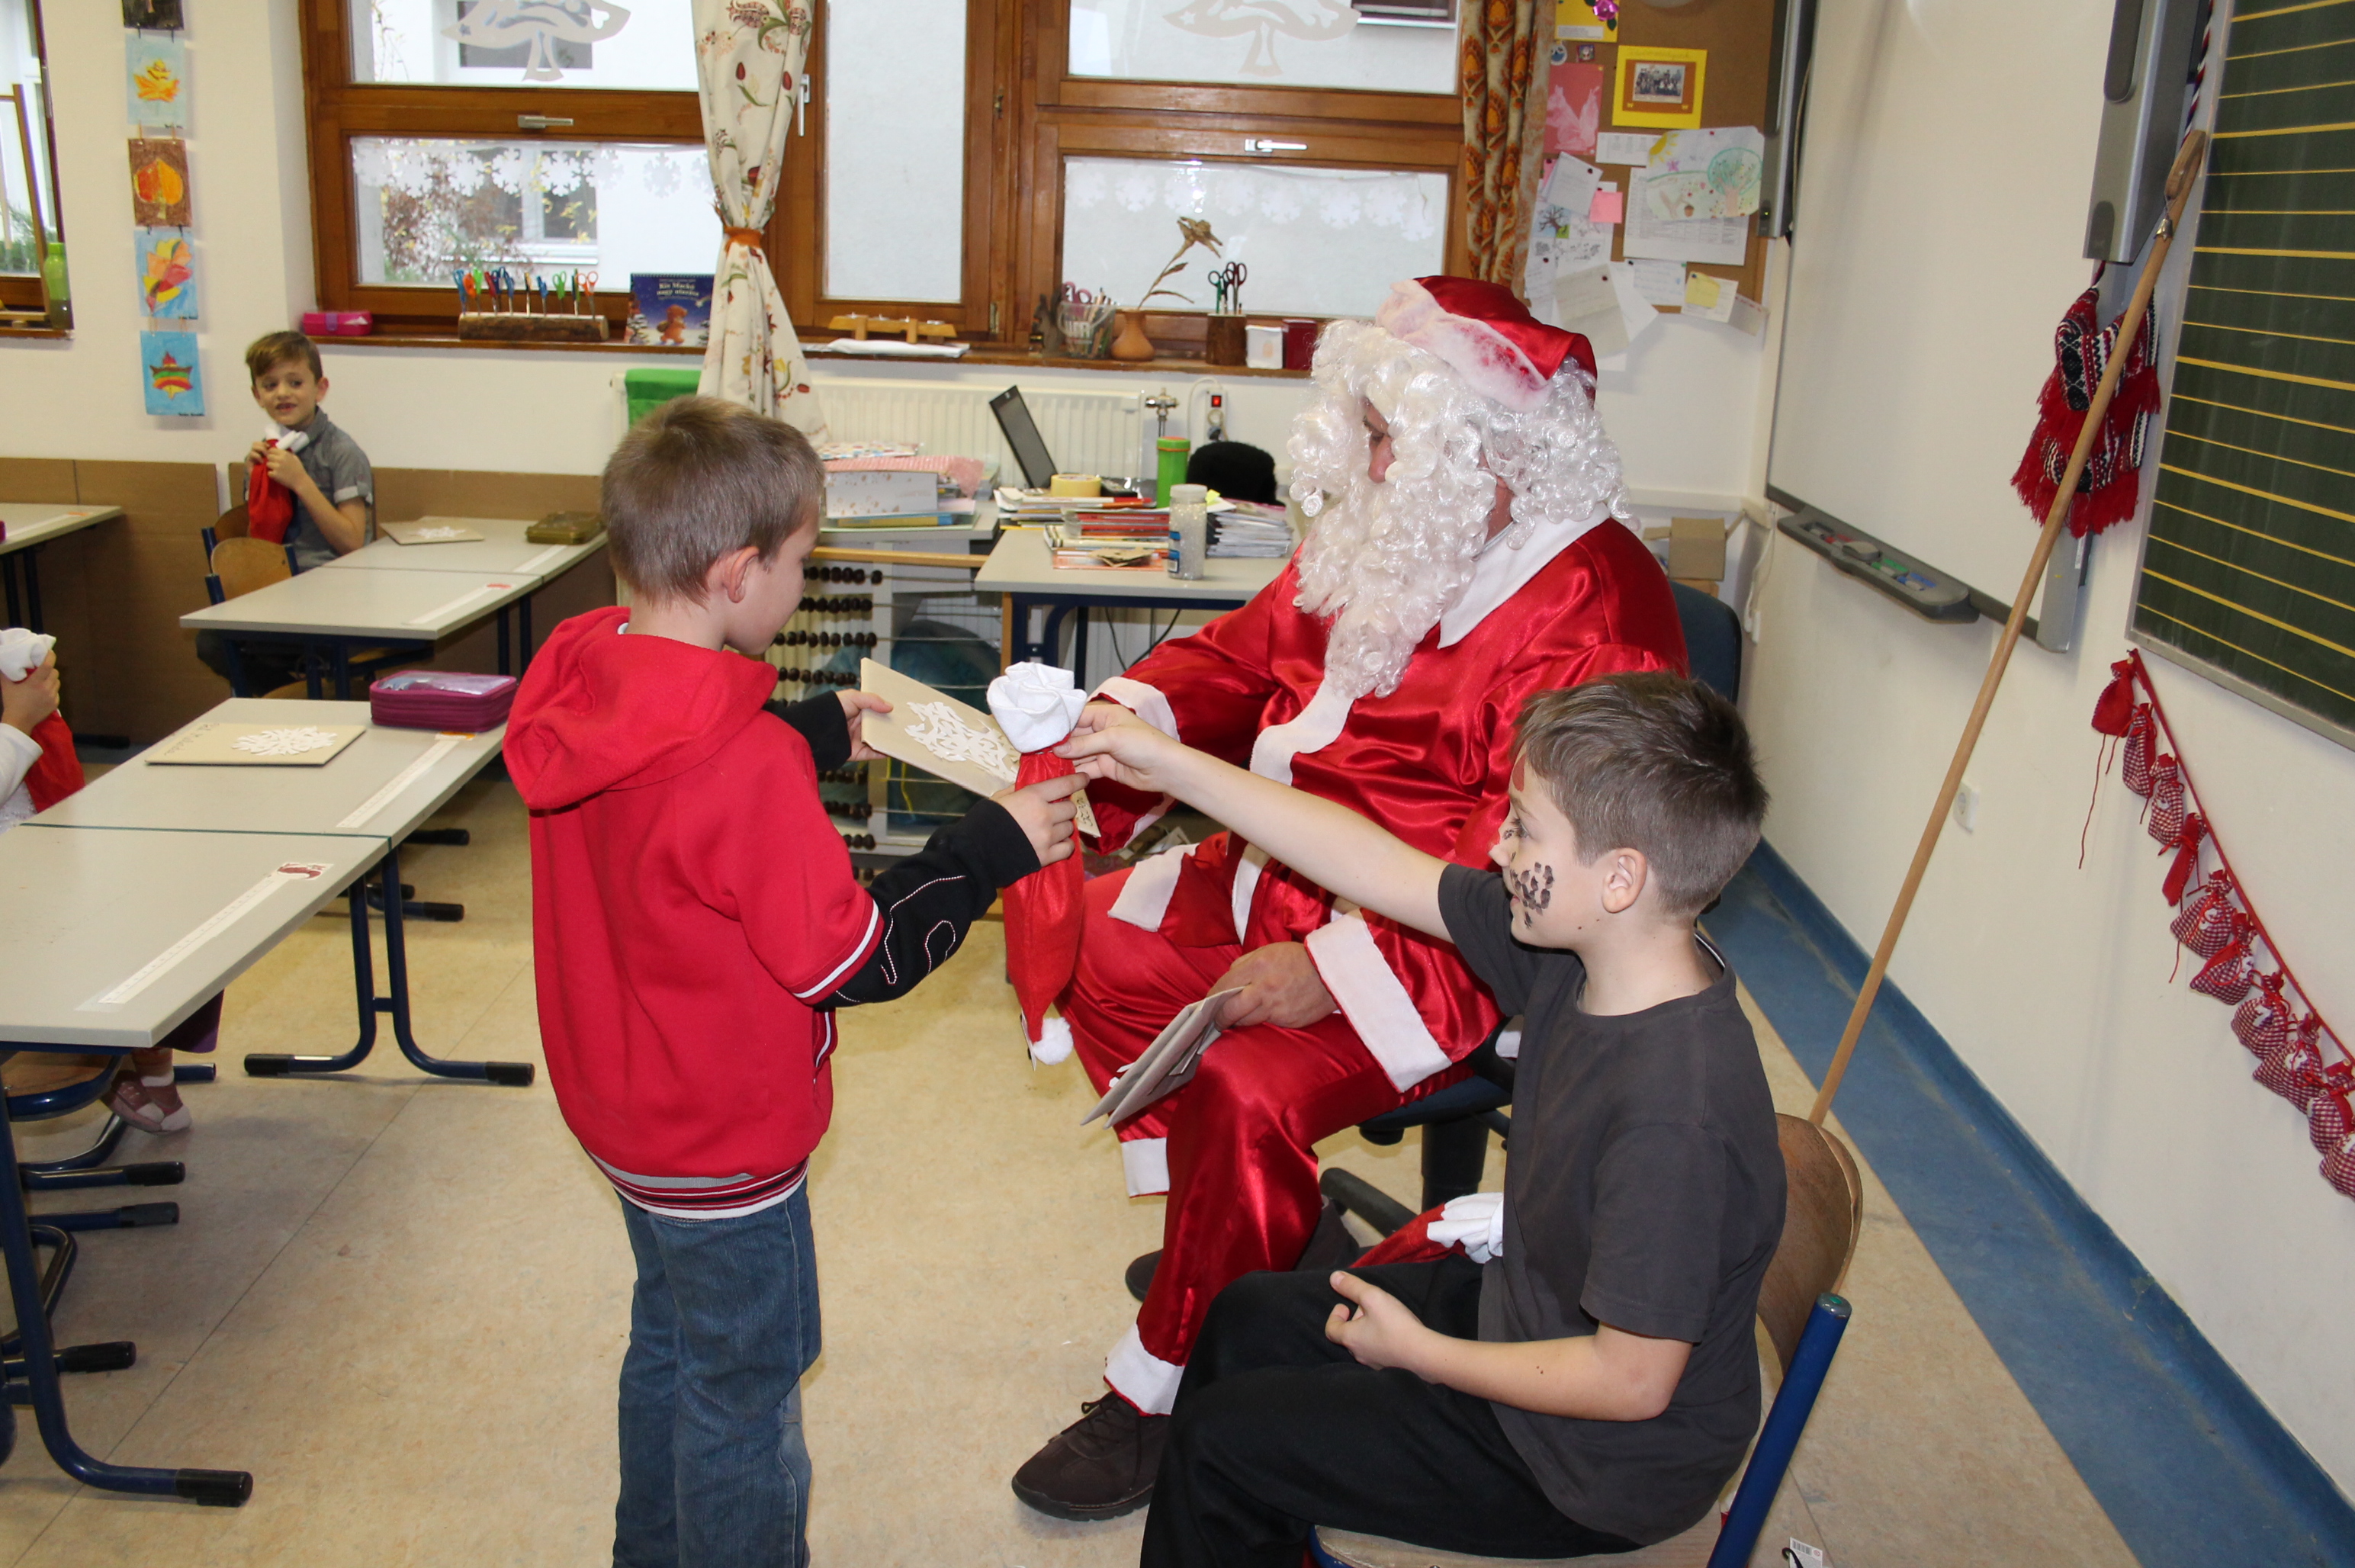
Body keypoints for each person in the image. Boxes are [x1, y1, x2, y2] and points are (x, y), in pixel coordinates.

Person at [1010, 275, 1691, 1518]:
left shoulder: (1598, 614)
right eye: (1368, 433)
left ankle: (1166, 1394)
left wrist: (1327, 973)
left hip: (1454, 959)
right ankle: (1240, 1244)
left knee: (1241, 1079)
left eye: (1387, 438)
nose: (1367, 463)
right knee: (1096, 948)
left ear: (1480, 448)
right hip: (1281, 877)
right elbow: (1244, 656)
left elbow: (1525, 888)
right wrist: (1123, 723)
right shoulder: (1405, 526)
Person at [503, 396, 1083, 1568]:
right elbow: (854, 958)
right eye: (801, 562)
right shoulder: (746, 764)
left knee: (674, 1344)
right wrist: (987, 851)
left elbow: (665, 781)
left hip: (623, 1110)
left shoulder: (575, 669)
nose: (804, 584)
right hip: (725, 1145)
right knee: (745, 1392)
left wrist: (808, 731)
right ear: (736, 573)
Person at [1059, 671, 1781, 1566]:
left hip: (1585, 1463)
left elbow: (1630, 1381)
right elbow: (1373, 864)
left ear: (1620, 878)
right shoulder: (1585, 953)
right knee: (1242, 1316)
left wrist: (1421, 1353)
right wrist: (1170, 763)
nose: (1500, 848)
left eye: (1524, 828)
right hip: (1529, 1316)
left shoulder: (1675, 1117)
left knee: (1221, 1444)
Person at [0, 629, 215, 1130]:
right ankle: (106, 1055)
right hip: (20, 888)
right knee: (109, 922)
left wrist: (26, 668)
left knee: (169, 892)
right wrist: (19, 719)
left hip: (35, 852)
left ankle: (142, 1060)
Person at [196, 330, 376, 690]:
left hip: (334, 595)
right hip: (279, 591)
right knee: (212, 642)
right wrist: (255, 483)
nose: (282, 393)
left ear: (320, 388)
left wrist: (302, 483)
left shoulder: (341, 452)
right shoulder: (269, 451)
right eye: (270, 384)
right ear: (257, 395)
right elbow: (258, 539)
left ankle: (303, 696)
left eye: (295, 382)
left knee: (242, 642)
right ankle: (291, 696)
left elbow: (353, 542)